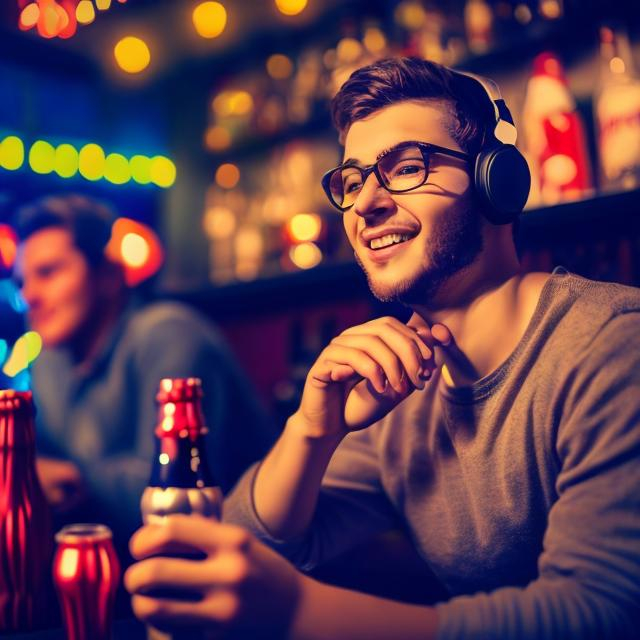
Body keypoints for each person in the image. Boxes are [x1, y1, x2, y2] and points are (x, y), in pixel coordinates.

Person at [124, 58, 640, 639]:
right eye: (352, 181)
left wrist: (300, 613)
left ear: (498, 183)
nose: (366, 204)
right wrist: (312, 430)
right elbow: (244, 539)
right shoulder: (401, 386)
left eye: (407, 168)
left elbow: (602, 614)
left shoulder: (613, 345)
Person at [15, 194, 278, 556]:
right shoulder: (47, 361)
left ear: (108, 276)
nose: (29, 295)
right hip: (124, 566)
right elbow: (37, 466)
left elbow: (177, 498)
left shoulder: (168, 332)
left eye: (48, 272)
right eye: (22, 282)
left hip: (243, 565)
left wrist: (69, 478)